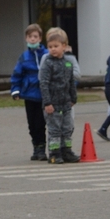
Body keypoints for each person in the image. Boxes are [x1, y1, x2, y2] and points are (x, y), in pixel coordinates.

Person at [39, 26, 79, 163]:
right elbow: (43, 83)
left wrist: (73, 98)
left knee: (67, 128)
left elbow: (71, 82)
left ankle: (66, 151)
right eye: (50, 47)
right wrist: (47, 103)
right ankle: (54, 153)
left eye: (56, 46)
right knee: (54, 130)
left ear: (64, 46)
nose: (53, 49)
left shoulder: (68, 63)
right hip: (53, 104)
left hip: (66, 102)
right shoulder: (48, 64)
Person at [11, 23, 48, 160]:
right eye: (30, 36)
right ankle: (35, 146)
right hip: (29, 95)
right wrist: (15, 90)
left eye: (35, 36)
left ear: (40, 38)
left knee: (40, 123)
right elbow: (17, 74)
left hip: (43, 95)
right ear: (26, 39)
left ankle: (42, 149)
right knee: (31, 124)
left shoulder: (46, 54)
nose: (32, 39)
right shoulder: (24, 57)